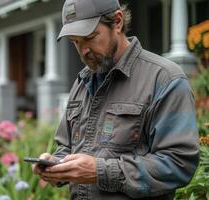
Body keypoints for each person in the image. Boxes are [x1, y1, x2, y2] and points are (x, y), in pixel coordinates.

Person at [32, 0, 200, 199]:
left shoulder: (164, 79)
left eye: (89, 37)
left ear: (118, 22)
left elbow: (178, 164)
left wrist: (100, 171)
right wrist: (56, 164)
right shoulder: (83, 82)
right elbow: (66, 147)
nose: (83, 50)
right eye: (75, 42)